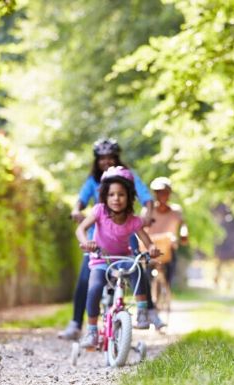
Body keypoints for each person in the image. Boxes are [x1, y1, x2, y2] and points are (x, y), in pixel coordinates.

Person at [59, 138, 162, 340]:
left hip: (125, 235)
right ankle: (78, 324)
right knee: (86, 281)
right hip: (97, 242)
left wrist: (148, 214)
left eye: (110, 158)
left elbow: (145, 198)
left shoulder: (128, 178)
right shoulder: (94, 186)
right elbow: (80, 202)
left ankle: (147, 311)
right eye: (102, 158)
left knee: (137, 266)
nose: (106, 161)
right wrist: (75, 211)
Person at [75, 166, 161, 348]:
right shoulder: (99, 211)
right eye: (112, 194)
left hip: (123, 258)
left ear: (129, 197)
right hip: (101, 259)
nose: (116, 198)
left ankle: (143, 312)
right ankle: (91, 331)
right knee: (95, 288)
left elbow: (147, 240)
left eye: (121, 194)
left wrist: (152, 249)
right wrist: (86, 242)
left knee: (138, 270)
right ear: (105, 196)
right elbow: (81, 229)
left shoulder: (133, 220)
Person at [142, 176, 189, 287]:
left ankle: (167, 288)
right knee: (146, 276)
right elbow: (140, 227)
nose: (162, 195)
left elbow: (183, 225)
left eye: (165, 192)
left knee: (170, 273)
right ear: (155, 194)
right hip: (151, 246)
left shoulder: (176, 210)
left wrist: (184, 234)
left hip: (168, 247)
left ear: (169, 193)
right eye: (159, 192)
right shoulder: (148, 211)